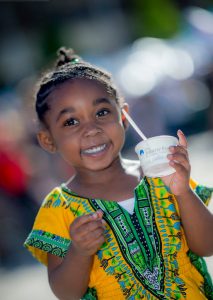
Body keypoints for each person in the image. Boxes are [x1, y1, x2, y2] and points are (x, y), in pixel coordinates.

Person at [24, 47, 213, 300]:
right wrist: (79, 252)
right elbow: (67, 293)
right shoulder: (58, 208)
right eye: (71, 122)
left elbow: (207, 245)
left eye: (102, 113)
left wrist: (184, 192)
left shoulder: (163, 174)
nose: (91, 130)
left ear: (123, 117)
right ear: (48, 140)